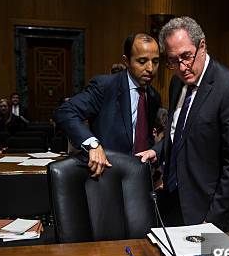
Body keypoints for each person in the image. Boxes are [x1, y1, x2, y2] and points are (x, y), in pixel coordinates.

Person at [137, 16, 229, 231]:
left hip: (207, 210)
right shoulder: (176, 83)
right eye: (173, 61)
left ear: (202, 46)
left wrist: (212, 220)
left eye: (186, 57)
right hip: (172, 199)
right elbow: (181, 133)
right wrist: (158, 150)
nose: (182, 67)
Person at [54, 33, 162, 177]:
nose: (150, 68)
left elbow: (143, 136)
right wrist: (93, 144)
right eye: (142, 61)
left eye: (155, 61)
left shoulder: (154, 96)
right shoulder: (105, 87)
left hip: (140, 177)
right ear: (126, 61)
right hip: (107, 175)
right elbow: (65, 112)